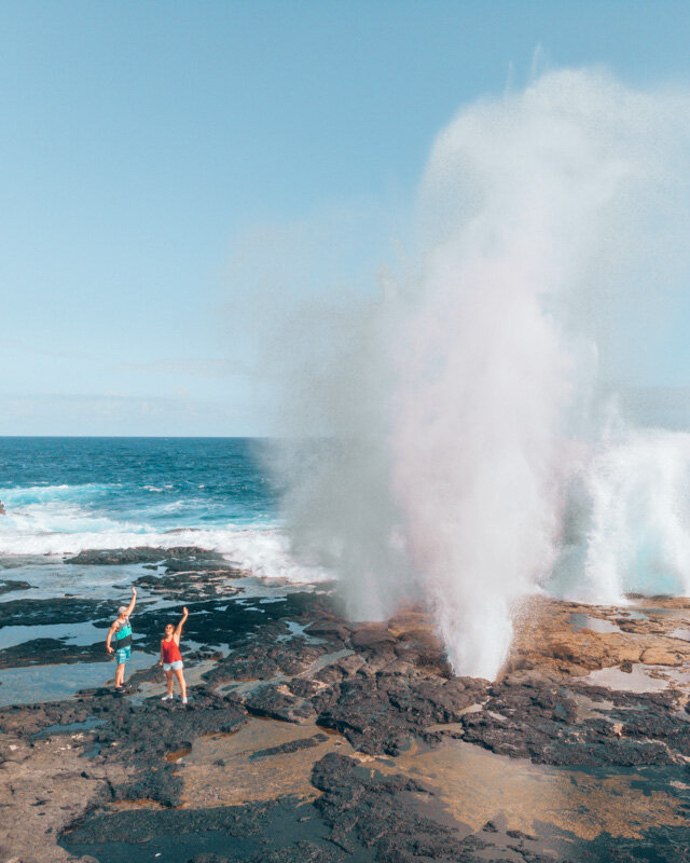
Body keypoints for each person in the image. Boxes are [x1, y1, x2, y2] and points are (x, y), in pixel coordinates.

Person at [105, 586, 137, 690]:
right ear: (122, 613)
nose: (128, 612)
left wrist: (134, 595)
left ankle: (122, 682)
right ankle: (117, 685)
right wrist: (108, 646)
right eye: (126, 612)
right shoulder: (116, 623)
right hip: (121, 647)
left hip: (127, 645)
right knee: (120, 666)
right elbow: (109, 634)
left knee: (123, 665)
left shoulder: (126, 618)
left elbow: (131, 606)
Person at [159, 606, 189, 704]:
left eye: (169, 628)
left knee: (180, 679)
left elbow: (180, 624)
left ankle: (184, 696)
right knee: (169, 679)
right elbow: (162, 652)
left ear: (172, 630)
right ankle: (169, 694)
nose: (167, 629)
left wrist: (185, 615)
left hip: (176, 661)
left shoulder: (175, 636)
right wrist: (161, 660)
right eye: (166, 628)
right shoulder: (162, 641)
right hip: (167, 662)